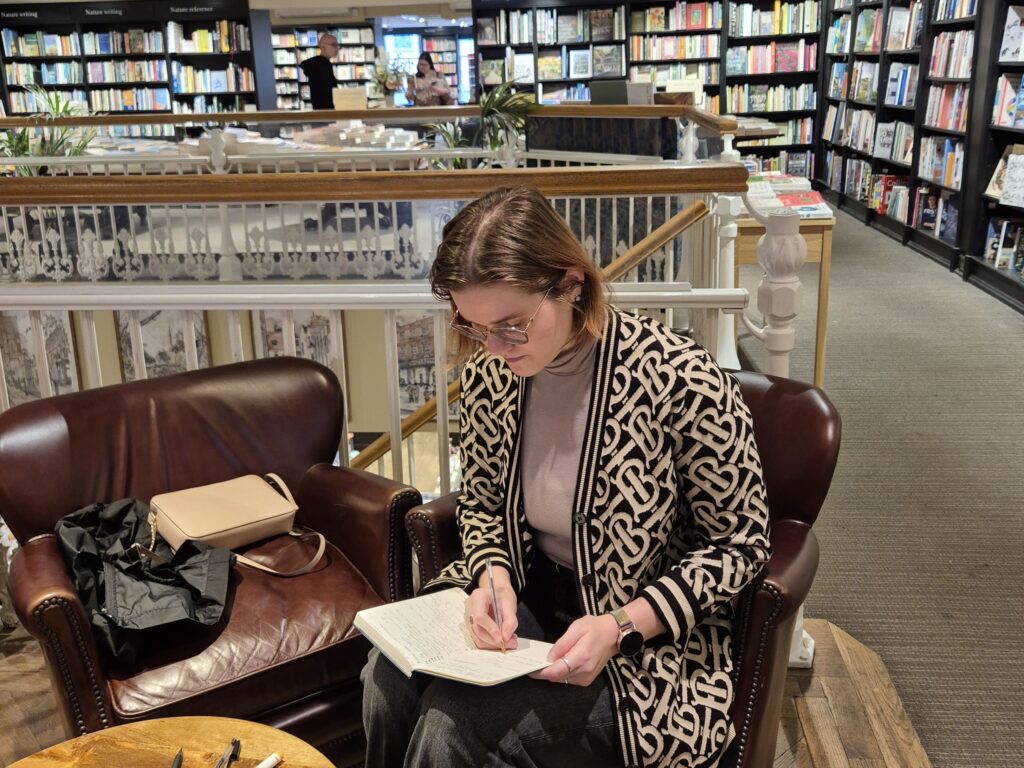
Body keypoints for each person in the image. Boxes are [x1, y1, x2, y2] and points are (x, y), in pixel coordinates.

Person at [361, 186, 772, 768]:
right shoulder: (490, 379)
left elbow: (741, 544)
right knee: (385, 679)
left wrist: (623, 625)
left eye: (512, 324)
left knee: (453, 732)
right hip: (529, 603)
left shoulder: (679, 376)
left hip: (646, 644)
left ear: (572, 283)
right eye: (474, 326)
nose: (494, 348)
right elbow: (480, 503)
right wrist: (492, 574)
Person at [299, 34, 339, 110]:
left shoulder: (321, 64)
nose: (337, 48)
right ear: (323, 47)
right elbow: (327, 92)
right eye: (333, 45)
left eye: (337, 45)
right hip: (326, 112)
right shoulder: (322, 65)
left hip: (322, 110)